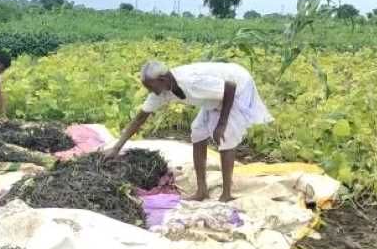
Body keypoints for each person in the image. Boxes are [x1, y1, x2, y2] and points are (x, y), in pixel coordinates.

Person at [104, 60, 273, 202]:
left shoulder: (190, 81)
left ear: (163, 79)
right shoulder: (162, 91)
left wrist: (222, 123)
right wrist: (117, 147)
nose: (150, 91)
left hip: (238, 87)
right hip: (215, 95)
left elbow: (230, 87)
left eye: (151, 87)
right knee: (198, 132)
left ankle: (226, 194)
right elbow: (141, 117)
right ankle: (202, 191)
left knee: (226, 136)